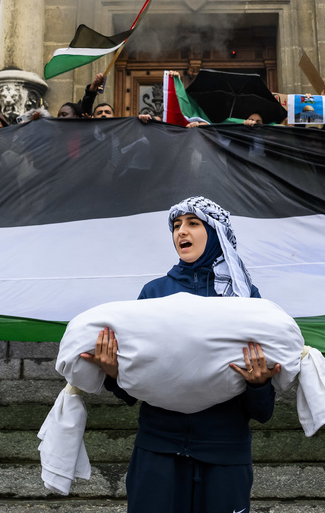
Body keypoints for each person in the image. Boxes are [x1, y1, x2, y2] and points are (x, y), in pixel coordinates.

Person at [80, 197, 277, 513]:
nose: (180, 232)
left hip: (225, 456)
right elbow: (132, 391)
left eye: (193, 223)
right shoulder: (153, 294)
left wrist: (258, 384)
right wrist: (115, 373)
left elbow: (262, 410)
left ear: (215, 233)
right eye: (175, 225)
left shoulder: (246, 300)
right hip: (157, 452)